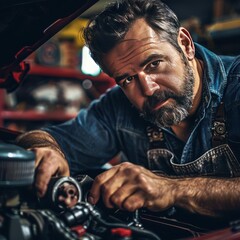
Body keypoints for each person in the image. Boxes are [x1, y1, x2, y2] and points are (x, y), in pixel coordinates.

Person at [16, 0, 240, 226]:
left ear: (185, 44)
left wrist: (172, 189)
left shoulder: (236, 85)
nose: (148, 89)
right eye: (128, 79)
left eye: (154, 64)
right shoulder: (119, 106)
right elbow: (46, 138)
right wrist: (45, 149)